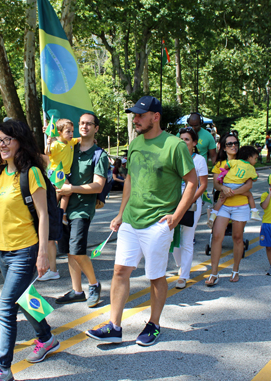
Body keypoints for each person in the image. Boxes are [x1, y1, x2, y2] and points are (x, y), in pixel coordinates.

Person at [85, 96, 196, 346]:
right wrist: (121, 214)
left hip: (158, 222)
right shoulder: (135, 144)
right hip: (131, 220)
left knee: (155, 276)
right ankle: (114, 326)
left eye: (139, 115)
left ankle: (154, 324)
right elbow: (131, 181)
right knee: (120, 271)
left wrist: (176, 217)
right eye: (134, 115)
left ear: (155, 117)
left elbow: (193, 181)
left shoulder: (175, 145)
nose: (135, 119)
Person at [0, 120, 59, 380]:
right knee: (24, 298)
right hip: (3, 251)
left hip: (25, 250)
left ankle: (3, 368)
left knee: (6, 307)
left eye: (8, 140)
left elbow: (44, 214)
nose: (2, 145)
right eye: (0, 140)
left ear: (20, 142)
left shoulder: (31, 173)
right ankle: (46, 337)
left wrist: (43, 253)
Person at [55, 113, 108, 308]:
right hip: (64, 207)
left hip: (82, 209)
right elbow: (52, 154)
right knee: (70, 251)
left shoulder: (98, 155)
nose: (84, 126)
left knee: (77, 250)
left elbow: (98, 186)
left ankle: (94, 285)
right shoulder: (70, 146)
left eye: (89, 124)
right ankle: (77, 291)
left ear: (96, 128)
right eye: (81, 123)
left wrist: (72, 189)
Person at [206, 132, 254, 286]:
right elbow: (216, 185)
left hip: (240, 206)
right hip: (223, 206)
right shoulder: (220, 164)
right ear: (223, 147)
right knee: (217, 236)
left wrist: (231, 192)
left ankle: (235, 270)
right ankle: (214, 273)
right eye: (230, 144)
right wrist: (223, 188)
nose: (233, 146)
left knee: (237, 238)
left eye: (235, 143)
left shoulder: (244, 163)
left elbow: (248, 185)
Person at [172, 127, 208, 289]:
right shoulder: (174, 157)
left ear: (194, 143)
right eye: (181, 139)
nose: (183, 142)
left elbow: (203, 185)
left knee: (187, 239)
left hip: (192, 204)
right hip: (173, 202)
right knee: (172, 238)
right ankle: (181, 265)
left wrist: (187, 201)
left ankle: (184, 275)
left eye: (187, 139)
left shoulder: (199, 160)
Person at [207, 145, 261, 228]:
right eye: (255, 158)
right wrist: (256, 175)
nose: (255, 161)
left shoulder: (235, 162)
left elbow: (226, 166)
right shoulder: (251, 168)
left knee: (221, 198)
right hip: (238, 185)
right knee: (249, 195)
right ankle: (254, 212)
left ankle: (213, 215)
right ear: (250, 157)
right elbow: (254, 179)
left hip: (227, 183)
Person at [45, 118, 79, 226]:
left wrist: (92, 140)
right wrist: (48, 144)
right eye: (68, 131)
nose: (71, 134)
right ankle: (62, 214)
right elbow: (47, 152)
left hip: (65, 173)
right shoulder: (55, 144)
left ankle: (50, 212)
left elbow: (79, 139)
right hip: (57, 172)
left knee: (60, 193)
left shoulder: (71, 142)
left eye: (72, 131)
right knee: (68, 191)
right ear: (59, 132)